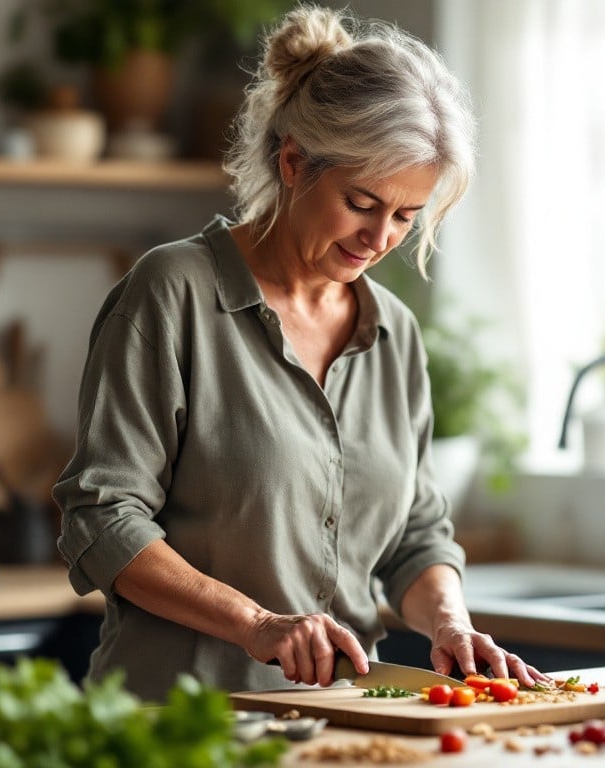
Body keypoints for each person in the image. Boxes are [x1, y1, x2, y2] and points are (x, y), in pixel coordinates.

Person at [52, 4, 549, 701]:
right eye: (362, 202)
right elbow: (102, 516)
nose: (381, 237)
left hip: (344, 725)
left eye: (407, 216)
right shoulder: (172, 294)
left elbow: (415, 535)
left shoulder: (393, 332)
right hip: (178, 723)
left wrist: (450, 621)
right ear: (293, 163)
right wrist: (255, 624)